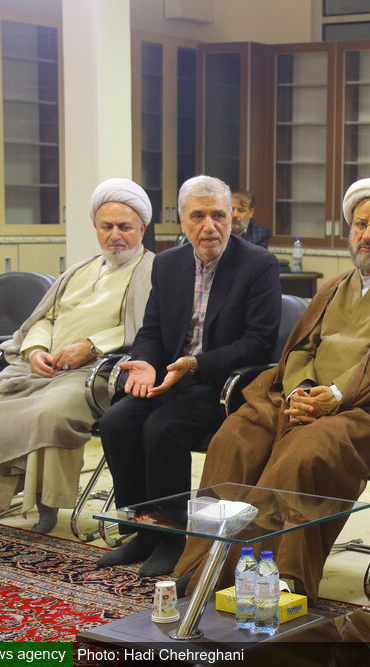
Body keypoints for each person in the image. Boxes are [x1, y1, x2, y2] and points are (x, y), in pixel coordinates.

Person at [173, 178, 370, 599]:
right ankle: (202, 562)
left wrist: (336, 396)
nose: (368, 235)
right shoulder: (335, 285)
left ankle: (272, 578)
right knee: (234, 438)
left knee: (304, 453)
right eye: (360, 225)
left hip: (368, 411)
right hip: (304, 401)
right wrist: (301, 390)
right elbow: (301, 348)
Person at [96, 175, 281, 577]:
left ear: (231, 218)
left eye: (219, 215)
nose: (209, 226)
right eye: (198, 216)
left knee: (162, 428)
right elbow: (151, 330)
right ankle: (144, 528)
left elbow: (259, 343)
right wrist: (145, 362)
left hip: (223, 385)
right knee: (116, 422)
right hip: (170, 378)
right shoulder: (167, 264)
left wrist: (195, 364)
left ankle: (174, 536)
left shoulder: (258, 264)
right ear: (182, 220)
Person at [0, 178, 156, 533]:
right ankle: (6, 488)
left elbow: (144, 329)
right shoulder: (81, 269)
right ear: (96, 228)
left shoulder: (153, 270)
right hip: (43, 367)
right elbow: (44, 318)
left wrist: (91, 346)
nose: (115, 235)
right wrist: (35, 350)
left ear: (142, 228)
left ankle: (47, 503)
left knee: (51, 412)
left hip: (96, 372)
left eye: (124, 227)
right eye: (106, 227)